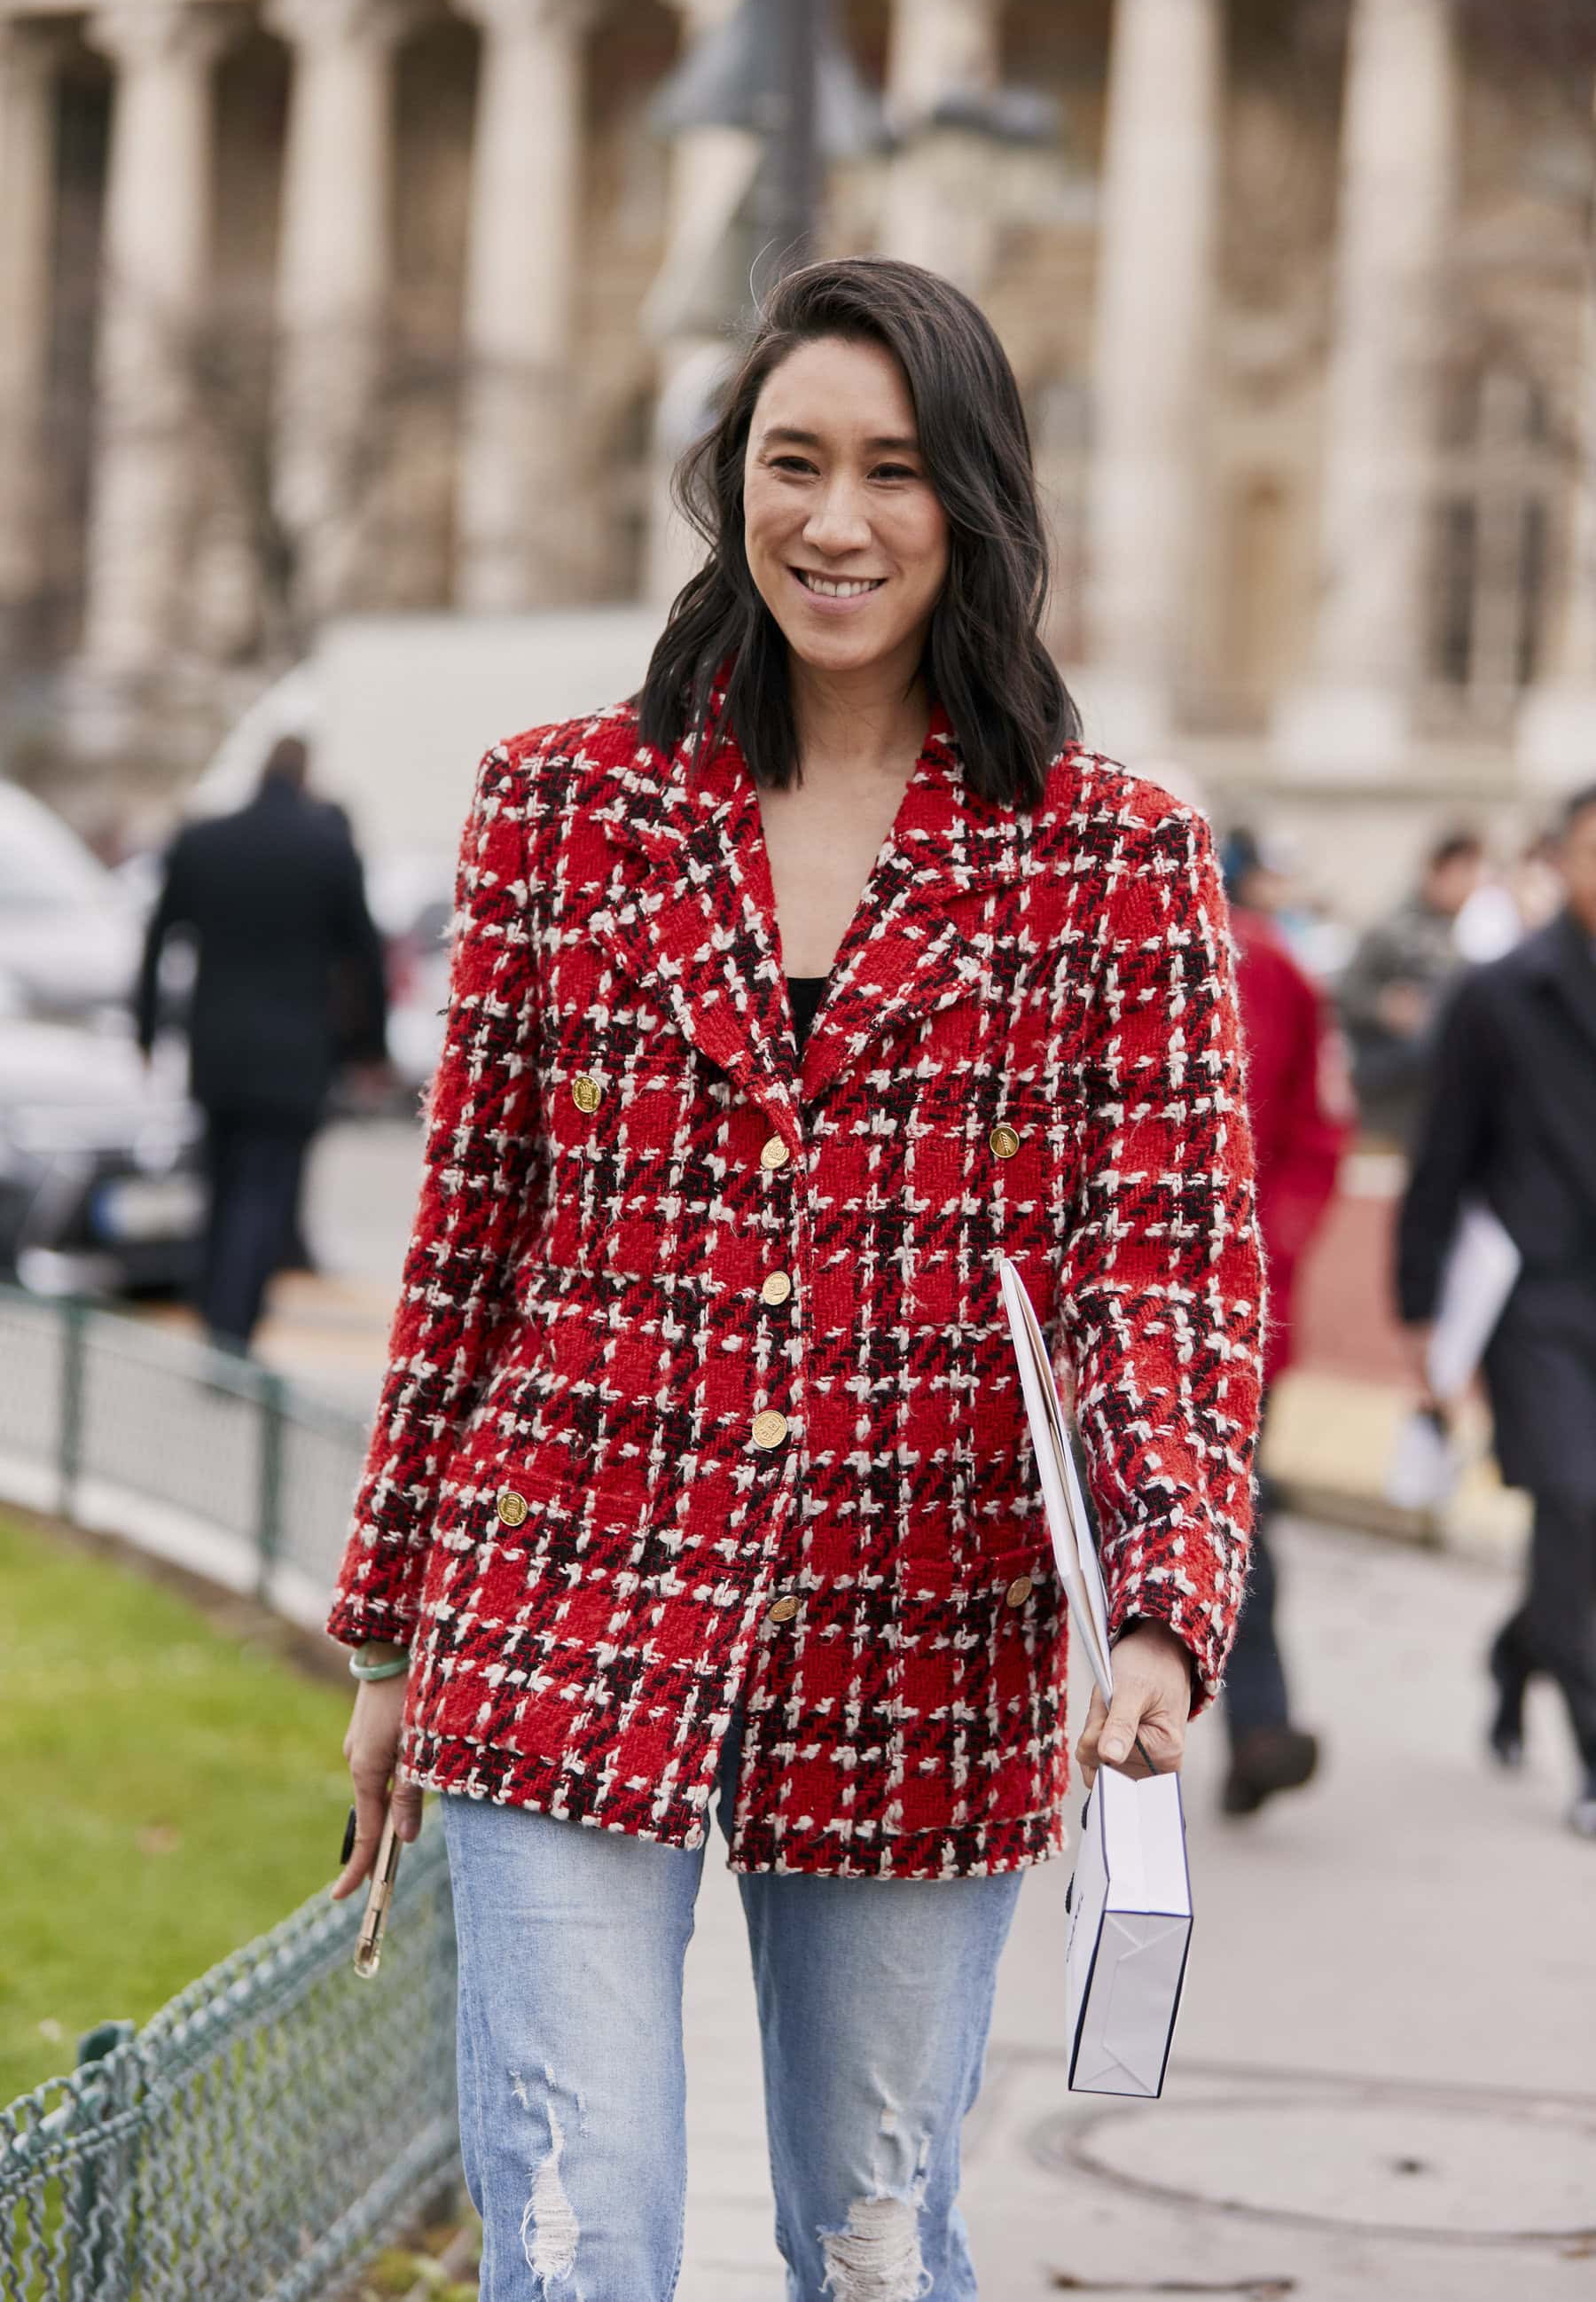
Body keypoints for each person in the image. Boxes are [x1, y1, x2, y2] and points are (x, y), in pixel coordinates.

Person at [327, 258, 1264, 2301]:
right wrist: (394, 1626)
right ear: (729, 483)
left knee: (869, 2229)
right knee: (576, 2233)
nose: (835, 520)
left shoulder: (1112, 858)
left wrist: (1165, 1601)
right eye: (792, 462)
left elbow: (1160, 1267)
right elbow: (470, 1236)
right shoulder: (563, 805)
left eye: (897, 472)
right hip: (566, 1583)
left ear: (980, 505)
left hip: (928, 1625)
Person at [1397, 783, 1596, 1841]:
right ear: (1561, 859)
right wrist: (1421, 1310)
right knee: (1569, 1498)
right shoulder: (1499, 995)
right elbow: (1442, 1156)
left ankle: (1518, 1651)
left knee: (1585, 1523)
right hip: (1536, 1295)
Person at [135, 736, 387, 1351]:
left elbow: (157, 939)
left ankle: (213, 1306)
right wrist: (368, 1048)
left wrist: (145, 1028)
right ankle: (233, 1325)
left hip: (216, 1049)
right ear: (307, 777)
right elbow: (367, 956)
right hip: (295, 1054)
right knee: (266, 1191)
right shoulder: (328, 848)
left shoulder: (204, 841)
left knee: (220, 1184)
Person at [1221, 834, 1351, 1814]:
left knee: (1227, 1510)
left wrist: (1270, 1250)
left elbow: (1319, 1127)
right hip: (1054, 1315)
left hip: (1237, 1313)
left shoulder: (1278, 974)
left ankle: (1259, 1726)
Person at [1338, 829, 1483, 1149]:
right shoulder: (1391, 930)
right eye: (1463, 874)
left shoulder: (1458, 933)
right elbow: (1344, 992)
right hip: (1387, 1095)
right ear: (1436, 871)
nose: (1471, 887)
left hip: (1431, 1096)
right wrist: (1385, 1005)